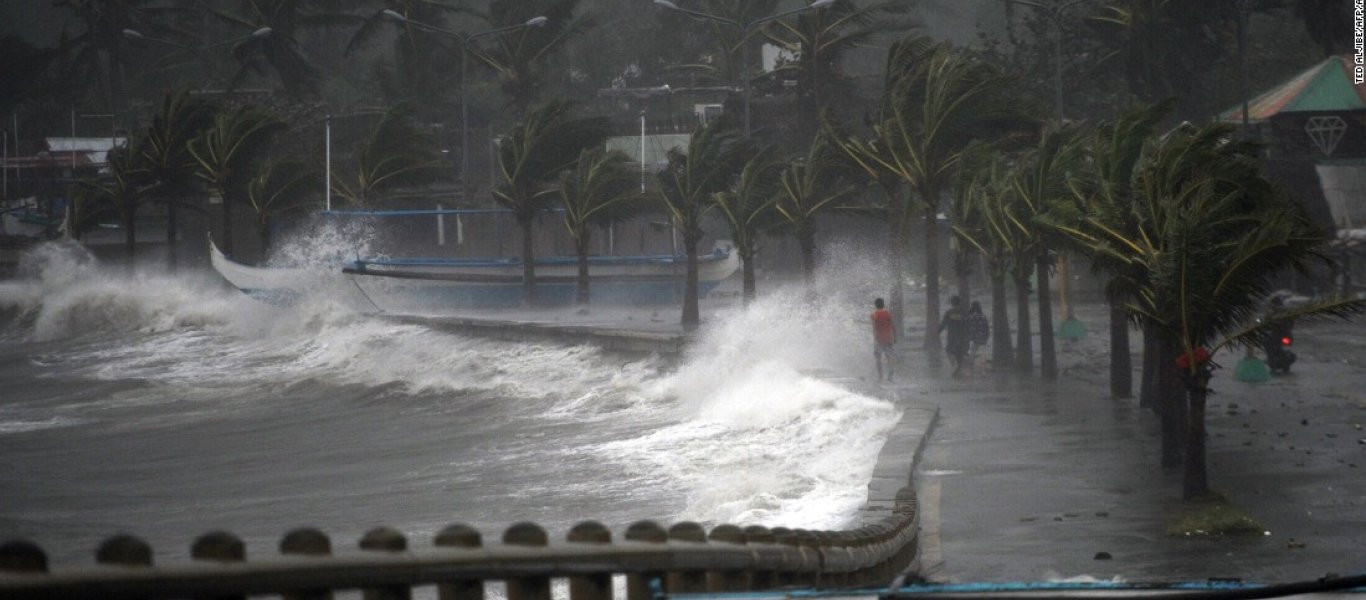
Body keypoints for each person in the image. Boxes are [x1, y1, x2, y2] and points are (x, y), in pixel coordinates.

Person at [939, 295, 970, 377]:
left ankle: (954, 364)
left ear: (952, 303)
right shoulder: (964, 312)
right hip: (962, 336)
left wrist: (937, 332)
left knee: (949, 350)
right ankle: (958, 369)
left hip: (952, 335)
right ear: (959, 303)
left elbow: (943, 324)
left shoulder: (948, 313)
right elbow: (968, 324)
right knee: (959, 353)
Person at [871, 298, 896, 381]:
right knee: (890, 357)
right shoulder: (888, 313)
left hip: (879, 340)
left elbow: (874, 328)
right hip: (888, 338)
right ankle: (890, 375)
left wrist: (874, 339)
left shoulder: (874, 314)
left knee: (878, 358)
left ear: (875, 305)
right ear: (883, 304)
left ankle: (880, 376)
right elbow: (892, 325)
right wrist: (895, 337)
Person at [966, 300, 990, 367]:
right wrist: (987, 336)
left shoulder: (973, 317)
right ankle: (983, 367)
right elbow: (987, 327)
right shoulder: (983, 316)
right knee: (982, 352)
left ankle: (970, 365)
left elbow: (971, 327)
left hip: (976, 338)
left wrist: (970, 336)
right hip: (984, 337)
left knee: (973, 351)